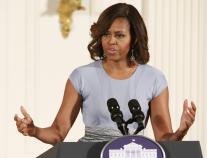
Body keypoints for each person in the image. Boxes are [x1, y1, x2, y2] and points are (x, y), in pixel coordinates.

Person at [14, 3, 196, 145]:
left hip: (134, 157)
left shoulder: (154, 79)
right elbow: (57, 133)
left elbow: (163, 139)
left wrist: (181, 131)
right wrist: (34, 130)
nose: (111, 41)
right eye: (106, 34)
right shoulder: (81, 76)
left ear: (134, 38)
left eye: (119, 35)